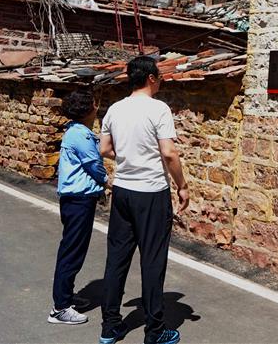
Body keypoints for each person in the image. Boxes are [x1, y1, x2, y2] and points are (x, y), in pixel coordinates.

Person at [98, 56, 189, 344]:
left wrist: (127, 158)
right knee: (152, 260)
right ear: (151, 78)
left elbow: (104, 149)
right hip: (151, 192)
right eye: (159, 76)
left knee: (117, 259)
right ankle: (155, 330)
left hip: (123, 190)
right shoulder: (158, 109)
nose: (160, 80)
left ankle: (110, 326)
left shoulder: (115, 109)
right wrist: (183, 186)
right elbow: (169, 153)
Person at [49, 89, 107, 325]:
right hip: (78, 199)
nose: (97, 108)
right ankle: (60, 308)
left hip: (76, 199)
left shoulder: (76, 131)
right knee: (72, 252)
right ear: (88, 109)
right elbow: (94, 164)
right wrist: (105, 180)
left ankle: (67, 296)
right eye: (95, 104)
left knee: (73, 249)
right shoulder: (80, 135)